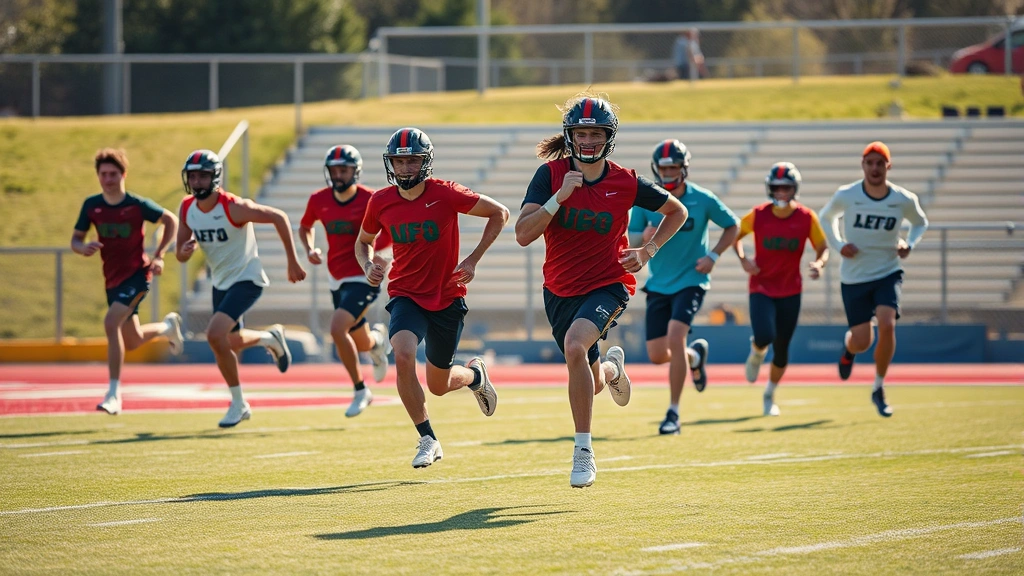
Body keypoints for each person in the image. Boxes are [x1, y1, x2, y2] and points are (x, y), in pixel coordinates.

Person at [516, 94, 687, 487]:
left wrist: (648, 251)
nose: (588, 139)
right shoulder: (550, 176)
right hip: (559, 289)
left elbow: (677, 211)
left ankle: (583, 451)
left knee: (575, 346)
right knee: (590, 379)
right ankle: (611, 368)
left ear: (608, 137)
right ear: (570, 136)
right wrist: (558, 200)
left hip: (609, 284)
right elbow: (524, 234)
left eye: (596, 132)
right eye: (581, 132)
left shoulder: (625, 181)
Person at [356, 127, 508, 468]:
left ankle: (474, 376)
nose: (405, 168)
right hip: (405, 294)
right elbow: (363, 240)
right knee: (404, 352)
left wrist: (472, 259)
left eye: (412, 160)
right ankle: (427, 438)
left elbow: (500, 213)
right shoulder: (380, 201)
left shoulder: (446, 192)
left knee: (438, 385)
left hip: (446, 297)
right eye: (399, 161)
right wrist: (367, 264)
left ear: (425, 163)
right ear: (390, 164)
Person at [175, 149, 306, 428]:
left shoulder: (232, 207)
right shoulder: (187, 208)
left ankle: (238, 403)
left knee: (213, 335)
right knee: (230, 342)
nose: (197, 182)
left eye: (203, 176)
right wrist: (185, 251)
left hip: (247, 279)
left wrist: (292, 261)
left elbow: (279, 217)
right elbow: (180, 254)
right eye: (193, 176)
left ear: (216, 178)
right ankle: (270, 338)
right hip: (220, 282)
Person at [628, 139, 738, 436]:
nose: (668, 173)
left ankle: (673, 413)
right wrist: (645, 237)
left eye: (673, 167)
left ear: (683, 168)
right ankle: (694, 357)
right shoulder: (645, 201)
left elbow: (733, 225)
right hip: (659, 283)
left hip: (691, 280)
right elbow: (631, 241)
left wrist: (714, 255)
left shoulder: (703, 199)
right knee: (656, 354)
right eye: (663, 168)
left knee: (676, 337)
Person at [818, 142, 928, 417]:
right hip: (854, 276)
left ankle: (878, 386)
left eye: (881, 163)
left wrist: (910, 245)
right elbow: (826, 216)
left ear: (888, 166)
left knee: (888, 325)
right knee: (862, 341)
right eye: (870, 163)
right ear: (863, 165)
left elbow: (920, 222)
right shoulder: (848, 194)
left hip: (888, 271)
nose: (875, 168)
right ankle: (848, 349)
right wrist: (839, 244)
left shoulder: (903, 199)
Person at [72, 148, 184, 415]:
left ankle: (113, 394)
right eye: (103, 174)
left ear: (123, 175)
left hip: (137, 274)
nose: (108, 179)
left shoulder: (136, 205)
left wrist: (159, 255)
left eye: (113, 174)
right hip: (112, 279)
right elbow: (75, 239)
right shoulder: (91, 205)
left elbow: (171, 220)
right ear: (98, 177)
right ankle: (167, 327)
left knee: (110, 323)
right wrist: (82, 247)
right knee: (132, 341)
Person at [299, 145, 391, 418]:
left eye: (344, 169)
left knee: (337, 328)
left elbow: (391, 230)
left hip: (365, 275)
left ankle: (361, 390)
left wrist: (383, 258)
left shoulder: (371, 199)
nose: (338, 175)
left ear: (356, 171)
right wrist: (309, 249)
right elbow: (305, 226)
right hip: (336, 277)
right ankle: (376, 343)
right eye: (334, 170)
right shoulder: (318, 199)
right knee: (357, 337)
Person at [734, 162, 829, 417]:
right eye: (776, 188)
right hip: (762, 286)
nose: (781, 193)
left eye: (786, 188)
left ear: (794, 189)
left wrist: (819, 263)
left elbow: (823, 247)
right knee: (765, 336)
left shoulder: (807, 217)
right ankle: (756, 351)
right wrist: (744, 259)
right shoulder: (759, 214)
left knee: (783, 348)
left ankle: (769, 394)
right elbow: (734, 233)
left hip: (790, 290)